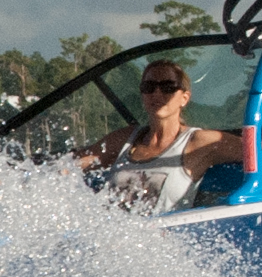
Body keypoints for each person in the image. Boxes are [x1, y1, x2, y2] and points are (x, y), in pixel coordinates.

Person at [76, 56, 231, 206]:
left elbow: (253, 149)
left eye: (168, 87)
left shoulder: (198, 141)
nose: (157, 93)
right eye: (149, 87)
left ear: (184, 98)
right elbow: (71, 166)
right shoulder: (124, 139)